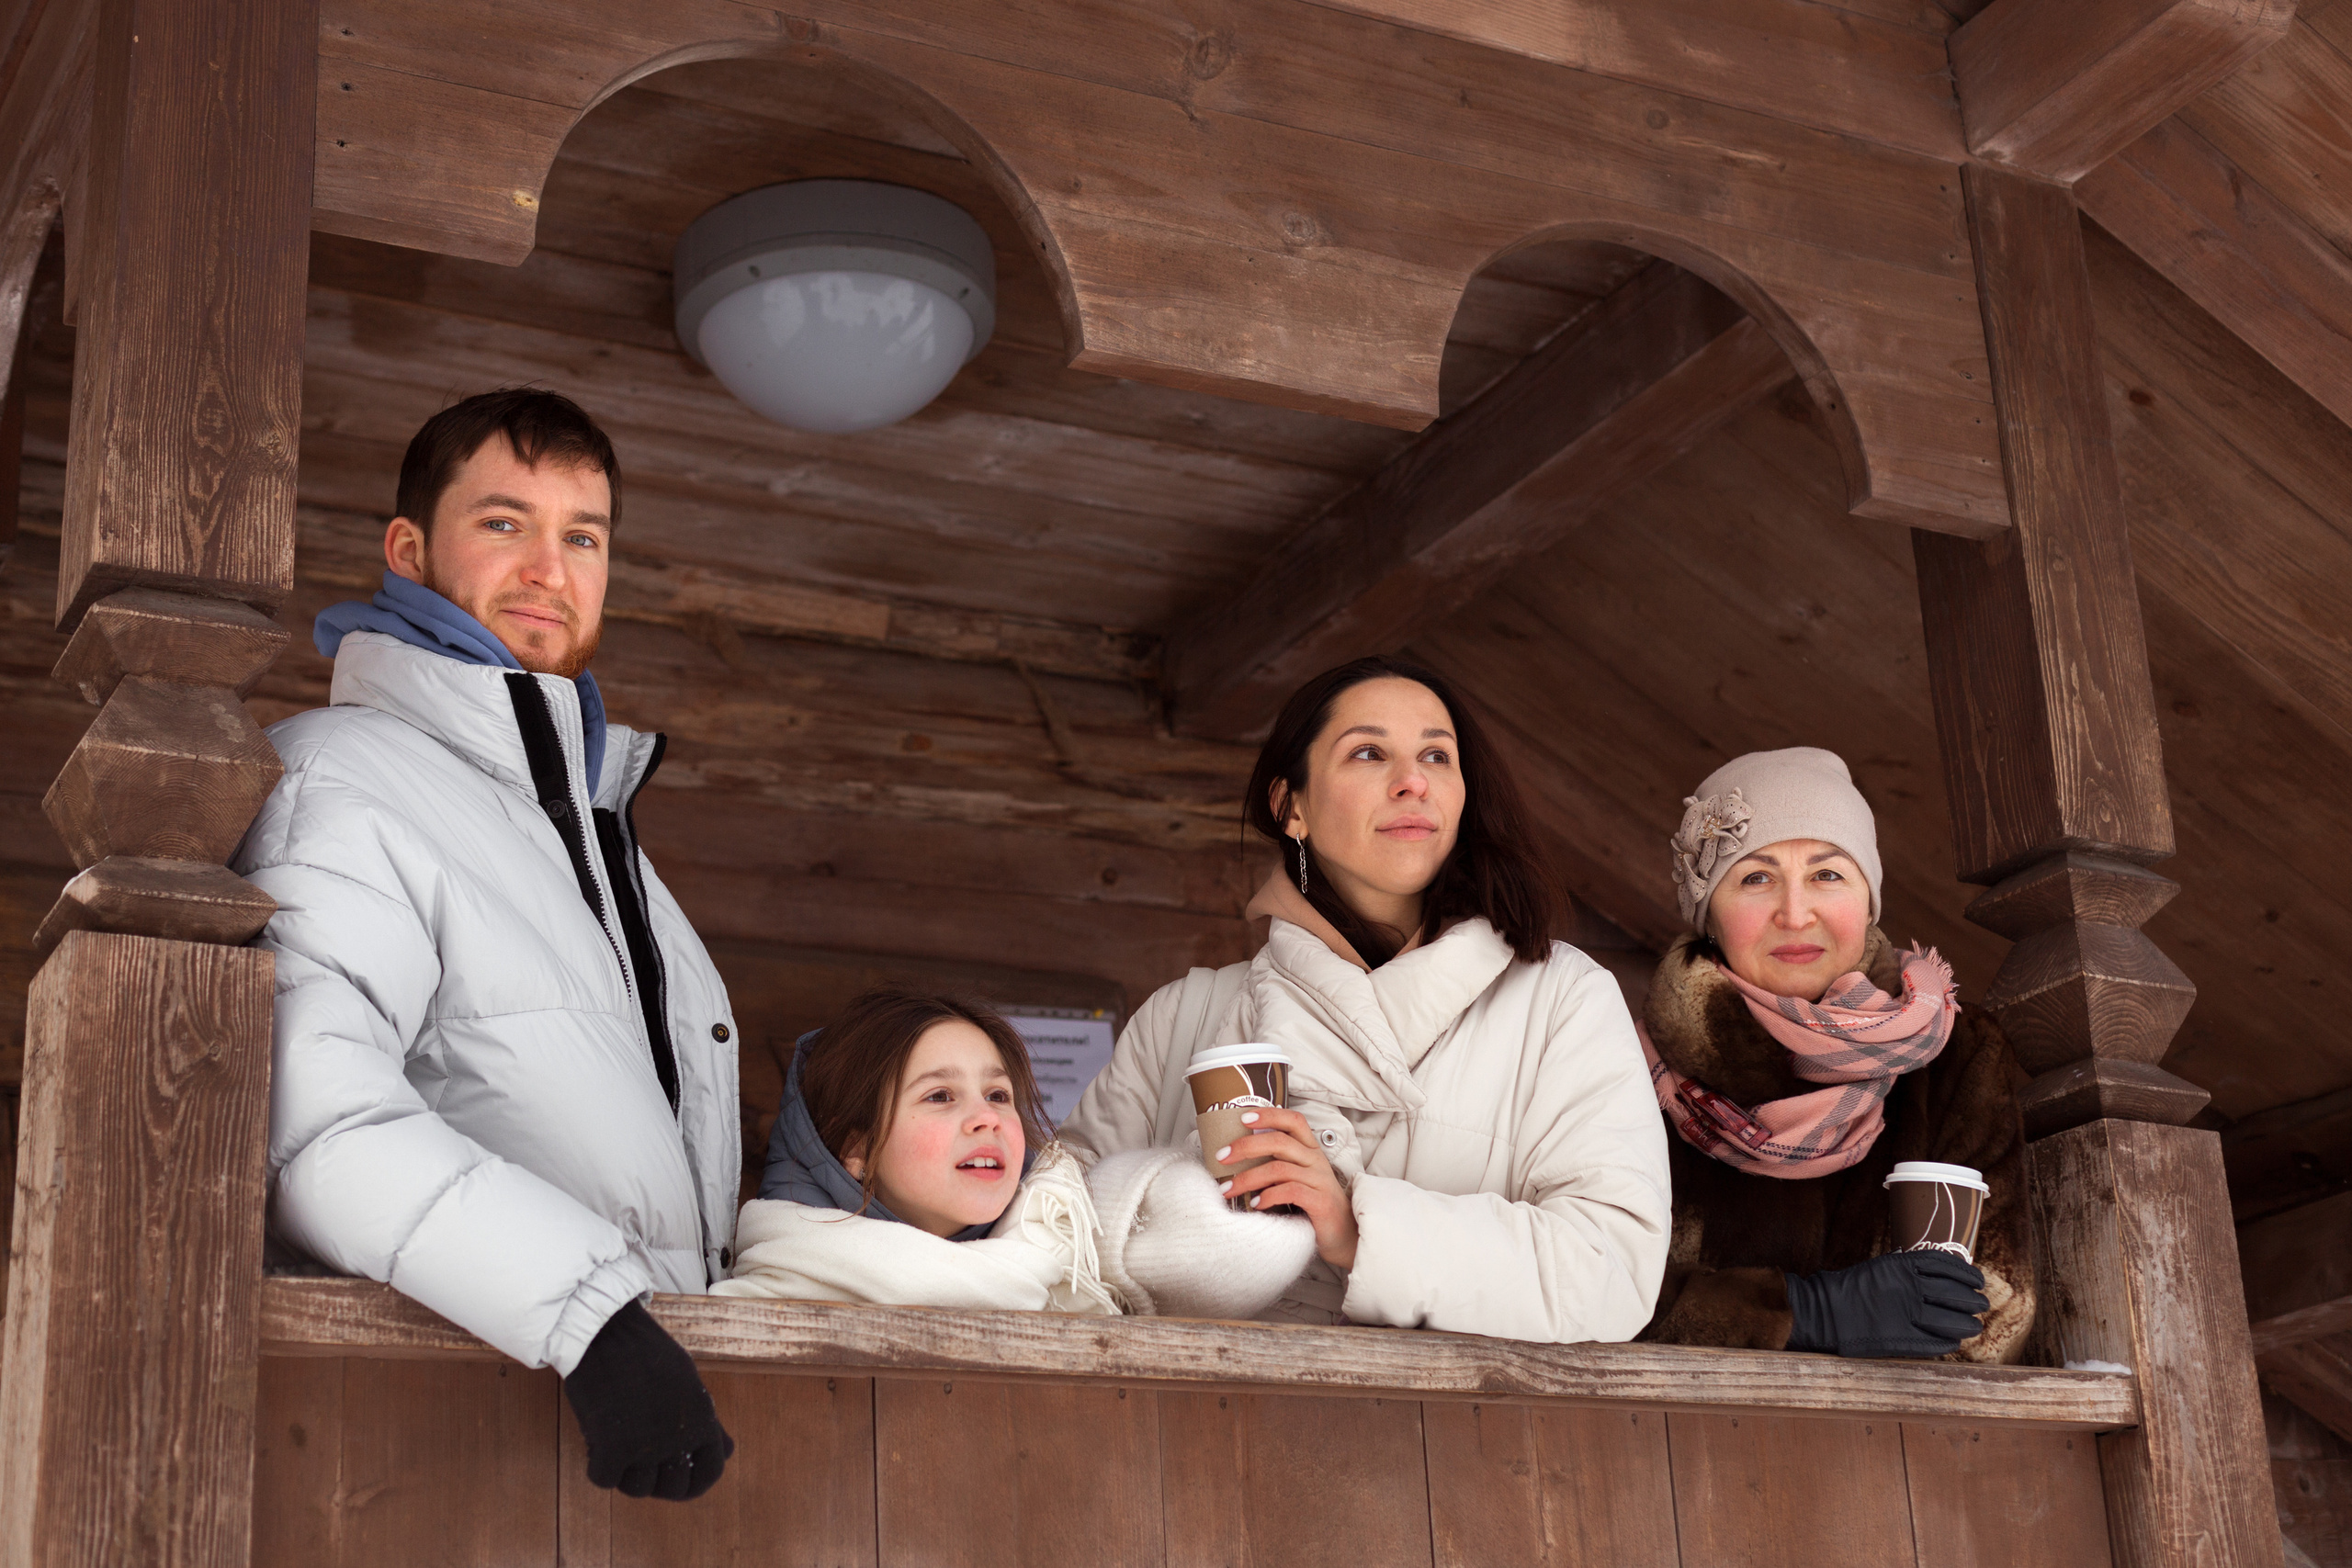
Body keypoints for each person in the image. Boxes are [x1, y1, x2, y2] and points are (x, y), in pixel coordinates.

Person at [234, 389, 741, 1502]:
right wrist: (595, 1323)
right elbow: (311, 1113)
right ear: (410, 550)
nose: (549, 571)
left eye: (583, 536)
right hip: (435, 1442)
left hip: (615, 1439)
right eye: (504, 523)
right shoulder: (343, 778)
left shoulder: (595, 833)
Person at [1058, 656, 1671, 1342]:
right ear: (1290, 805)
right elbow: (1057, 1251)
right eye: (1369, 752)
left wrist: (1357, 1228)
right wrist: (1182, 1218)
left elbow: (1611, 1272)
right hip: (1210, 1430)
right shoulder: (1183, 1017)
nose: (1413, 781)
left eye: (1437, 756)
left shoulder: (1563, 999)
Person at [1636, 748, 2034, 1361]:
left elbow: (1995, 1311)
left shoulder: (1959, 1059)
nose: (1796, 914)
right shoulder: (1627, 1069)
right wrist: (1805, 1311)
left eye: (1827, 874)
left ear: (1868, 900)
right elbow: (1595, 1291)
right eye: (1755, 877)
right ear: (1707, 915)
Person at [718, 987, 1314, 1320]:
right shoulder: (773, 1290)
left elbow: (1239, 1249)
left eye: (999, 1094)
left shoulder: (1057, 1250)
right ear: (856, 1150)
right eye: (941, 1095)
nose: (987, 1117)